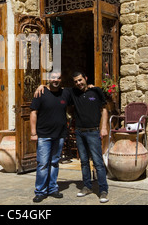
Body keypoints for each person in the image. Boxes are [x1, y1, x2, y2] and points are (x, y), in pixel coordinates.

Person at [34, 71, 109, 203]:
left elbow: (104, 109)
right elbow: (55, 87)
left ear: (85, 78)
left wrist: (103, 128)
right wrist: (42, 85)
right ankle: (87, 187)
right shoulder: (72, 93)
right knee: (84, 162)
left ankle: (103, 190)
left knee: (98, 162)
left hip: (93, 131)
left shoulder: (96, 91)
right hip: (79, 132)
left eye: (80, 80)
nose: (78, 83)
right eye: (76, 81)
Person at [30, 71, 71, 203]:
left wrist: (91, 86)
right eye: (53, 77)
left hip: (59, 135)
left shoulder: (65, 93)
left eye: (58, 77)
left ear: (61, 79)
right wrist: (33, 133)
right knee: (42, 164)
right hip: (44, 135)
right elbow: (33, 113)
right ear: (48, 79)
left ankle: (53, 188)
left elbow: (80, 91)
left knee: (54, 163)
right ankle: (40, 191)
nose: (56, 80)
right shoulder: (40, 93)